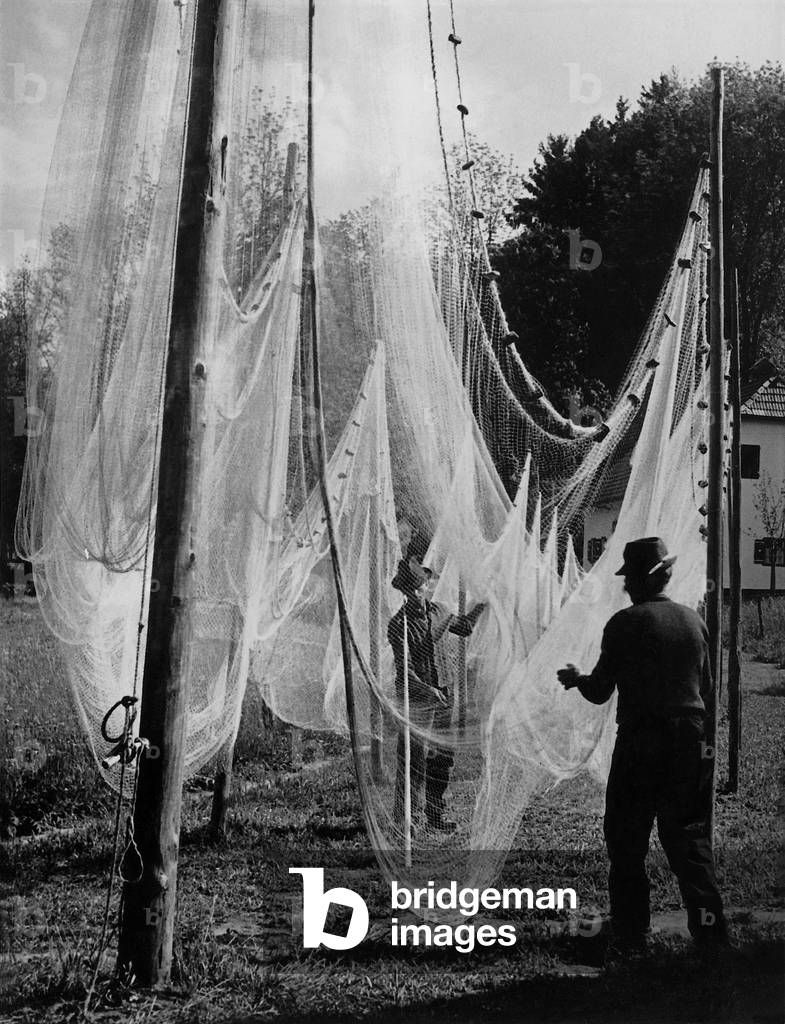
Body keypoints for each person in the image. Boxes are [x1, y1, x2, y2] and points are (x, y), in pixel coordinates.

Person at [558, 536, 727, 952]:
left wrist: (578, 678)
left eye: (629, 578)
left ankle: (632, 933)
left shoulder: (624, 624)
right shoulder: (694, 621)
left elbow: (600, 691)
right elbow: (706, 694)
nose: (626, 586)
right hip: (690, 740)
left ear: (637, 580)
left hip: (641, 742)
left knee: (627, 836)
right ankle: (711, 936)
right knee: (689, 838)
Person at [388, 547, 485, 834]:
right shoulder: (399, 625)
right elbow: (405, 671)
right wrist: (428, 691)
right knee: (413, 760)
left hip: (444, 695)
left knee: (442, 757)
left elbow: (465, 627)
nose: (421, 591)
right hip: (416, 700)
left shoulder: (439, 612)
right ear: (406, 592)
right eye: (415, 588)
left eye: (423, 586)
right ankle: (407, 819)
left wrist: (484, 605)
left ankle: (434, 815)